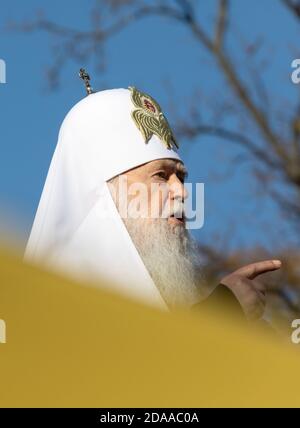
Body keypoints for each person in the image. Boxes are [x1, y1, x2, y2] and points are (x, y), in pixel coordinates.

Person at [24, 83, 281, 321]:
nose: (182, 192)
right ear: (109, 193)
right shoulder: (59, 302)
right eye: (161, 176)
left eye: (180, 177)